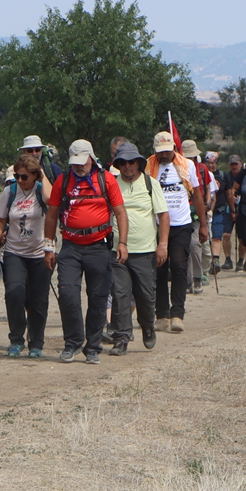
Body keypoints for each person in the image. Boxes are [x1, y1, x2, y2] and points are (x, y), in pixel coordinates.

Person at [44, 139, 127, 363]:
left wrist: (122, 243)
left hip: (99, 246)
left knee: (98, 298)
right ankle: (72, 343)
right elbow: (51, 216)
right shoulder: (63, 180)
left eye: (83, 162)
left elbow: (120, 213)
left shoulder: (106, 179)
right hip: (70, 246)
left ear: (92, 158)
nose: (79, 166)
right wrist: (49, 248)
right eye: (75, 162)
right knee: (68, 295)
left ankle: (92, 347)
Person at [107, 142, 167, 355]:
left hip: (145, 251)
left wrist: (163, 244)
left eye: (132, 162)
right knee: (120, 294)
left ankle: (147, 326)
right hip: (118, 251)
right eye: (122, 162)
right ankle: (121, 338)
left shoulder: (151, 184)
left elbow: (163, 215)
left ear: (139, 163)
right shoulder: (112, 184)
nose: (127, 166)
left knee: (145, 296)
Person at [0, 154, 53, 358]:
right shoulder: (9, 192)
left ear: (35, 175)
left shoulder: (41, 190)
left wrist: (43, 177)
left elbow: (51, 200)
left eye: (24, 176)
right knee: (15, 293)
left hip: (40, 253)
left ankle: (36, 342)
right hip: (14, 252)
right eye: (17, 176)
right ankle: (16, 339)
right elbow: (0, 219)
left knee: (38, 299)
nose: (19, 180)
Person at [146, 131, 207, 333]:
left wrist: (204, 224)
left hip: (181, 224)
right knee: (160, 269)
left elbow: (197, 196)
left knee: (179, 267)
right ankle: (161, 314)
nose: (164, 156)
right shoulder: (148, 167)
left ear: (174, 148)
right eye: (160, 152)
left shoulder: (187, 166)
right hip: (155, 225)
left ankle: (177, 314)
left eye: (167, 151)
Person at [180, 140, 213, 293]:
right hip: (182, 213)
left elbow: (207, 188)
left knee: (194, 244)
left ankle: (198, 277)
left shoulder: (202, 169)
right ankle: (187, 281)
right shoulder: (178, 169)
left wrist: (207, 205)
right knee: (184, 246)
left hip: (197, 213)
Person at [213, 154, 244, 270]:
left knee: (242, 237)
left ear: (240, 163)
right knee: (226, 235)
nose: (234, 166)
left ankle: (241, 260)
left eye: (236, 164)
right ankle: (228, 259)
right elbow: (226, 192)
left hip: (242, 208)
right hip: (228, 209)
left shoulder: (244, 176)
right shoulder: (226, 176)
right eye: (232, 164)